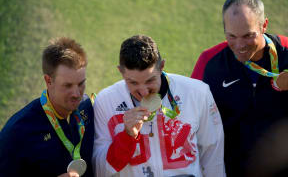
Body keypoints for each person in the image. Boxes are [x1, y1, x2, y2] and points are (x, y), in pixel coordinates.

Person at [92, 35, 225, 177]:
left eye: (150, 80)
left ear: (161, 66)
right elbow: (100, 170)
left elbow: (213, 156)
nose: (143, 92)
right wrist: (127, 136)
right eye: (133, 83)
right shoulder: (105, 101)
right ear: (121, 72)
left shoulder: (198, 93)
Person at [191, 0, 288, 176]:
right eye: (232, 36)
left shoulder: (286, 53)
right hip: (232, 170)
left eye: (248, 35)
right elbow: (190, 116)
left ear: (264, 25)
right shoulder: (209, 62)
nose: (240, 45)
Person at [0, 37, 94, 177]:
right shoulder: (17, 131)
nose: (76, 94)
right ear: (48, 81)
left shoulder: (87, 108)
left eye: (81, 84)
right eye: (67, 85)